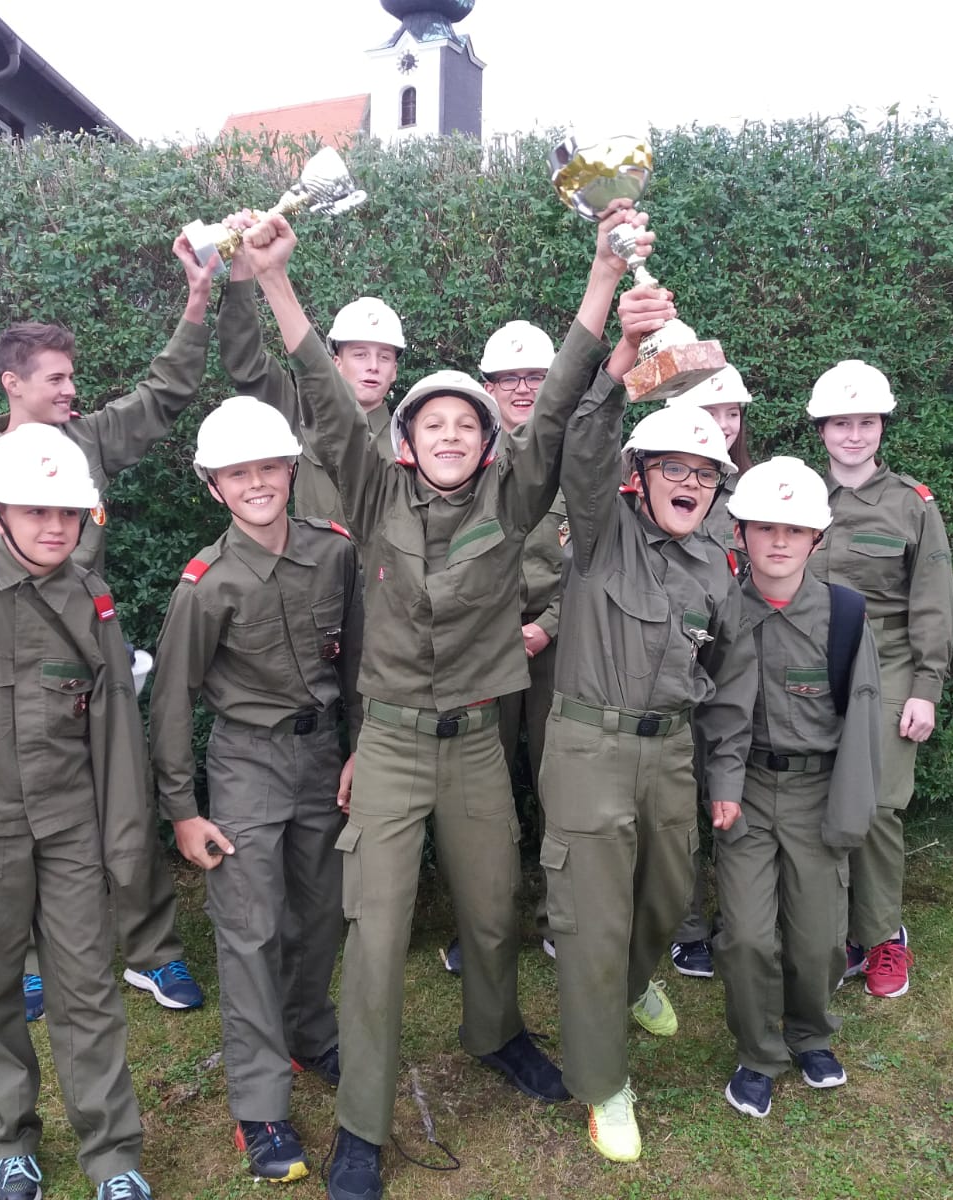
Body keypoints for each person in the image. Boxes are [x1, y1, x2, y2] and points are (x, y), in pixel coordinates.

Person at [244, 204, 643, 1200]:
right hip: (389, 746)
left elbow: (558, 401)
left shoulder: (512, 500)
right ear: (408, 441)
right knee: (375, 939)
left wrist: (602, 278)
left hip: (474, 745)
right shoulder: (373, 493)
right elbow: (324, 393)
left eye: (469, 422)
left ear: (487, 441)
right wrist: (275, 280)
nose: (454, 433)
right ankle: (362, 1126)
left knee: (493, 908)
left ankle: (494, 1032)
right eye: (435, 423)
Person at [0, 238, 220, 1015]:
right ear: (12, 383)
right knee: (15, 819)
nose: (71, 388)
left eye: (71, 376)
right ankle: (24, 960)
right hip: (6, 683)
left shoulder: (86, 440)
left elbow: (161, 396)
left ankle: (152, 952)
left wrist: (196, 302)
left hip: (91, 663)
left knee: (127, 801)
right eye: (56, 378)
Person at [0, 423, 159, 1200]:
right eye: (34, 510)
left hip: (71, 828)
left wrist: (124, 839)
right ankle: (11, 1143)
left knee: (88, 990)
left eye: (67, 513)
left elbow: (116, 726)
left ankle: (113, 1156)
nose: (53, 526)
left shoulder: (92, 598)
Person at [544, 305, 757, 1162]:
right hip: (589, 750)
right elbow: (584, 441)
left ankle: (633, 986)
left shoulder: (715, 565)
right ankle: (604, 1084)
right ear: (640, 474)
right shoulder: (602, 534)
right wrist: (625, 353)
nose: (689, 482)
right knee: (593, 923)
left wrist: (726, 777)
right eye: (672, 467)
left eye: (704, 473)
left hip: (671, 751)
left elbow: (730, 678)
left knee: (666, 899)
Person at [147, 396, 363, 1185]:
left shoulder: (335, 553)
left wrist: (361, 751)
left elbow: (358, 663)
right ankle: (261, 1104)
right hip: (248, 763)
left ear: (291, 470)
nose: (257, 484)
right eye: (238, 474)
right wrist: (183, 811)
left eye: (269, 467)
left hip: (325, 756)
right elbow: (171, 700)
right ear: (214, 486)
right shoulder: (206, 585)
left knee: (323, 911)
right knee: (251, 931)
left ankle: (309, 1030)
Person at [714, 455, 883, 1120]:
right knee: (748, 937)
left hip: (818, 792)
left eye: (794, 529)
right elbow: (706, 712)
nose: (779, 542)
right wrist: (715, 789)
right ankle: (758, 1054)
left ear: (817, 538)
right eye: (764, 527)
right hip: (746, 790)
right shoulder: (721, 610)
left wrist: (851, 815)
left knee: (817, 940)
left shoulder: (845, 614)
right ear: (740, 533)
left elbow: (863, 718)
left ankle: (811, 1034)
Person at [806, 361, 953, 999]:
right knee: (815, 797)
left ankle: (884, 937)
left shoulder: (910, 504)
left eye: (866, 422)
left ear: (882, 427)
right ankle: (838, 933)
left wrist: (927, 687)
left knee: (878, 803)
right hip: (811, 664)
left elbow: (933, 603)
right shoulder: (798, 494)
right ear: (821, 429)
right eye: (841, 423)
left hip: (888, 662)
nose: (854, 435)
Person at [441, 320, 562, 974]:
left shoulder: (577, 455)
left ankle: (558, 916)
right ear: (487, 387)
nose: (521, 388)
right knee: (480, 793)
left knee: (558, 784)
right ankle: (484, 922)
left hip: (560, 642)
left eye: (535, 377)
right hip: (483, 644)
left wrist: (550, 625)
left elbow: (601, 560)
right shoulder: (464, 457)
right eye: (507, 378)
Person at [214, 210, 406, 526]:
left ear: (395, 370)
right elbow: (244, 362)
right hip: (311, 559)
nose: (373, 366)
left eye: (384, 357)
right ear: (336, 363)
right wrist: (243, 264)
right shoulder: (299, 415)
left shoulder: (411, 439)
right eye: (360, 355)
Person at [664, 362, 758, 980]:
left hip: (738, 658)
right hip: (673, 659)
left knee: (730, 787)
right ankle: (685, 925)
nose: (724, 424)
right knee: (679, 799)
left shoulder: (755, 490)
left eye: (733, 413)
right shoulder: (663, 485)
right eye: (710, 411)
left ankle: (744, 914)